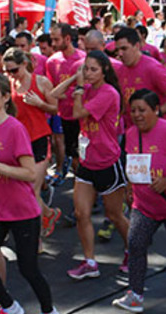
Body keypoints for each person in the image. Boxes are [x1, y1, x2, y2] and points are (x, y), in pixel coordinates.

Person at [0, 72, 60, 314]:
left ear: (5, 98)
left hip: (21, 211)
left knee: (28, 268)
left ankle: (49, 313)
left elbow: (30, 174)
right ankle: (9, 308)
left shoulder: (14, 128)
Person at [112, 89, 166, 313]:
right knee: (135, 244)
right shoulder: (131, 134)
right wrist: (131, 187)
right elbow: (132, 163)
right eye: (133, 111)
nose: (137, 115)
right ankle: (135, 294)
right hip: (144, 205)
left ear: (156, 110)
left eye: (142, 110)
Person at [50, 51, 129, 281]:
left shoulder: (108, 93)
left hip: (107, 161)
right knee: (81, 213)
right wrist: (75, 78)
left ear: (104, 70)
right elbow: (54, 94)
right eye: (86, 68)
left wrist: (79, 90)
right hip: (86, 162)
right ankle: (90, 262)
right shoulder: (84, 86)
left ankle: (132, 251)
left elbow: (77, 113)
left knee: (115, 215)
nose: (89, 73)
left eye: (94, 69)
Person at [3, 48, 62, 238]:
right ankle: (49, 213)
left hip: (38, 139)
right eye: (7, 71)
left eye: (14, 70)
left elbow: (54, 110)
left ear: (25, 64)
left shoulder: (41, 82)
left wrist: (40, 104)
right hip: (19, 142)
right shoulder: (9, 83)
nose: (10, 74)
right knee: (24, 190)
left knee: (30, 190)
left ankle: (35, 240)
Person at [113, 27, 166, 130]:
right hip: (133, 131)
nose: (120, 54)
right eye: (117, 50)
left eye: (124, 49)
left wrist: (155, 114)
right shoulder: (120, 70)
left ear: (137, 46)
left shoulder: (153, 68)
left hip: (158, 131)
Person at [46, 24, 87, 179]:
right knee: (73, 154)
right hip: (65, 116)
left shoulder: (83, 59)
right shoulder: (52, 62)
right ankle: (80, 183)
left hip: (84, 115)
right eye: (52, 39)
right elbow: (52, 91)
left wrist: (66, 93)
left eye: (56, 39)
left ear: (67, 39)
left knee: (87, 153)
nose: (53, 43)